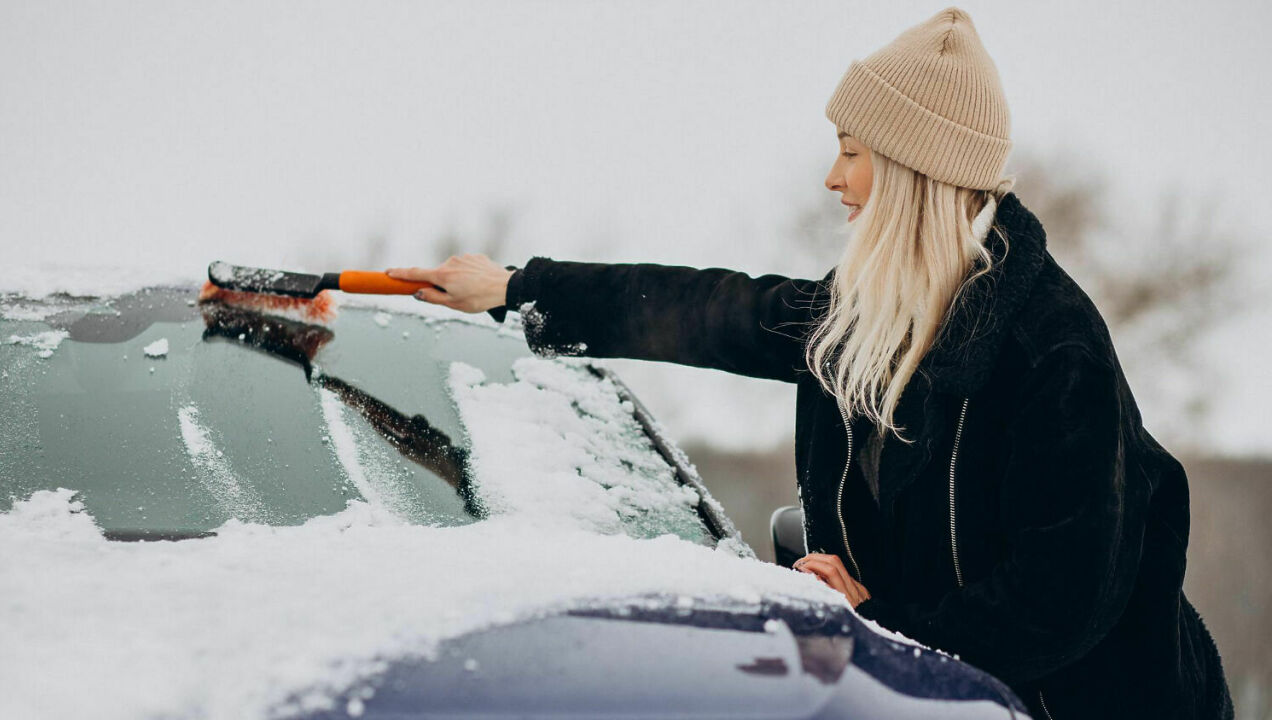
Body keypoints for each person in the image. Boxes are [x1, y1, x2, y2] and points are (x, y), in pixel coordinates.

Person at [385, 7, 1233, 719]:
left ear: (912, 170)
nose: (834, 177)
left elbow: (1058, 603)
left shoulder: (1053, 351)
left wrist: (879, 622)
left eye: (853, 151)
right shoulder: (874, 312)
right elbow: (714, 312)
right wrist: (516, 287)